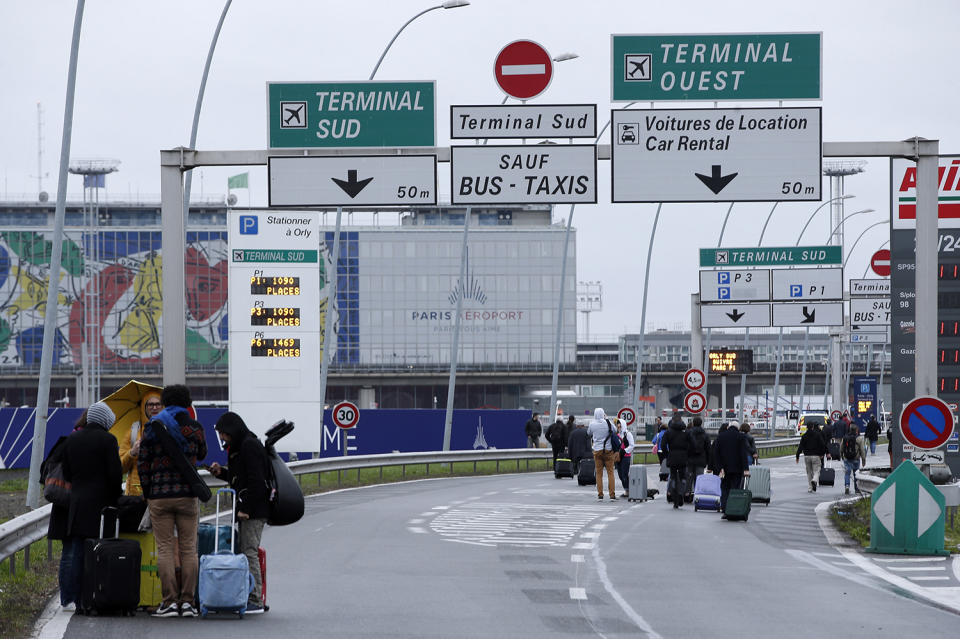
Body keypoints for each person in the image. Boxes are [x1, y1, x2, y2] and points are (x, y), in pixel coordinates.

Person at [137, 384, 208, 618]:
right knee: (189, 549)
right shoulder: (194, 427)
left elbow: (143, 464)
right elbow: (203, 453)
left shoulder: (152, 428)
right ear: (187, 403)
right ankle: (187, 602)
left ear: (165, 402)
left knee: (165, 549)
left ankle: (168, 602)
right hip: (187, 495)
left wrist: (148, 492)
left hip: (159, 496)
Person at [49, 406, 123, 611]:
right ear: (106, 420)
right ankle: (89, 594)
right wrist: (116, 495)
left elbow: (69, 472)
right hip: (100, 502)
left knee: (71, 550)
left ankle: (67, 598)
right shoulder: (108, 440)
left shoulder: (72, 439)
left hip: (76, 501)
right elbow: (115, 473)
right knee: (95, 551)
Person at [210, 412, 270, 614]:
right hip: (247, 508)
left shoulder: (249, 446)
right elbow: (239, 478)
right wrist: (222, 473)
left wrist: (246, 509)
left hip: (253, 510)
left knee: (249, 552)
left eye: (223, 434)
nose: (221, 439)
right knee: (246, 551)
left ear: (231, 431)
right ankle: (249, 595)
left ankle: (255, 600)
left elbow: (256, 481)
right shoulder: (239, 447)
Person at [118, 391, 162, 496]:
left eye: (158, 404)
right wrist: (132, 453)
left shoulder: (169, 429)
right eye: (151, 404)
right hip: (136, 493)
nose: (154, 408)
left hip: (162, 491)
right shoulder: (133, 432)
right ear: (144, 407)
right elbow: (119, 467)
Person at [713, 420, 750, 516]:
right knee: (735, 488)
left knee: (725, 488)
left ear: (728, 427)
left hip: (724, 469)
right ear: (738, 428)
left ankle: (724, 508)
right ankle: (732, 508)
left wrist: (719, 467)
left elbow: (716, 454)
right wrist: (746, 469)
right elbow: (743, 453)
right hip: (737, 468)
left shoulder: (721, 437)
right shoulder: (741, 437)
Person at [587, 408, 619, 500]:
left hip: (597, 451)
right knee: (610, 473)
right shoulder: (608, 423)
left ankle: (600, 494)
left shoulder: (592, 424)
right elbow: (615, 430)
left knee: (599, 473)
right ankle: (612, 494)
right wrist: (607, 419)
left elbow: (588, 433)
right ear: (603, 414)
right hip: (608, 451)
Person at [662, 414, 693, 508]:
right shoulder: (686, 432)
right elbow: (693, 444)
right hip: (683, 457)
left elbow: (663, 445)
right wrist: (687, 454)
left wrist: (667, 455)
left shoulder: (668, 432)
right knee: (683, 477)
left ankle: (674, 494)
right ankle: (681, 493)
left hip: (672, 456)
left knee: (673, 476)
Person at [796, 418, 828, 492]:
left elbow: (800, 446)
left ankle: (810, 488)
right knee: (817, 470)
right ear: (813, 427)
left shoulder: (804, 436)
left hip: (807, 456)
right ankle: (814, 480)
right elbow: (822, 444)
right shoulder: (817, 435)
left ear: (807, 427)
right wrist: (823, 453)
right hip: (816, 456)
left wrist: (797, 456)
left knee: (809, 472)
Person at [841, 423, 867, 495]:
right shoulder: (859, 438)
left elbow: (841, 448)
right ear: (856, 430)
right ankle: (857, 489)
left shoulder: (845, 437)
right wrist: (863, 460)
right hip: (856, 459)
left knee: (847, 473)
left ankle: (847, 485)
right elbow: (862, 450)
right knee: (856, 474)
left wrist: (841, 455)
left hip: (847, 458)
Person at [686, 416, 711, 483]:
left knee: (688, 479)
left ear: (693, 423)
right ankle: (697, 492)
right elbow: (708, 449)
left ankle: (688, 492)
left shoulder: (688, 433)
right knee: (699, 479)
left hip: (689, 459)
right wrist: (709, 462)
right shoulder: (705, 435)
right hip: (701, 459)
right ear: (701, 424)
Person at [615, 419, 635, 498]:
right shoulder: (617, 434)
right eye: (617, 424)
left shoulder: (628, 434)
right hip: (618, 457)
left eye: (619, 424)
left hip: (626, 457)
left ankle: (628, 490)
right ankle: (627, 489)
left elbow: (632, 445)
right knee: (620, 474)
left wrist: (625, 450)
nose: (618, 426)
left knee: (624, 474)